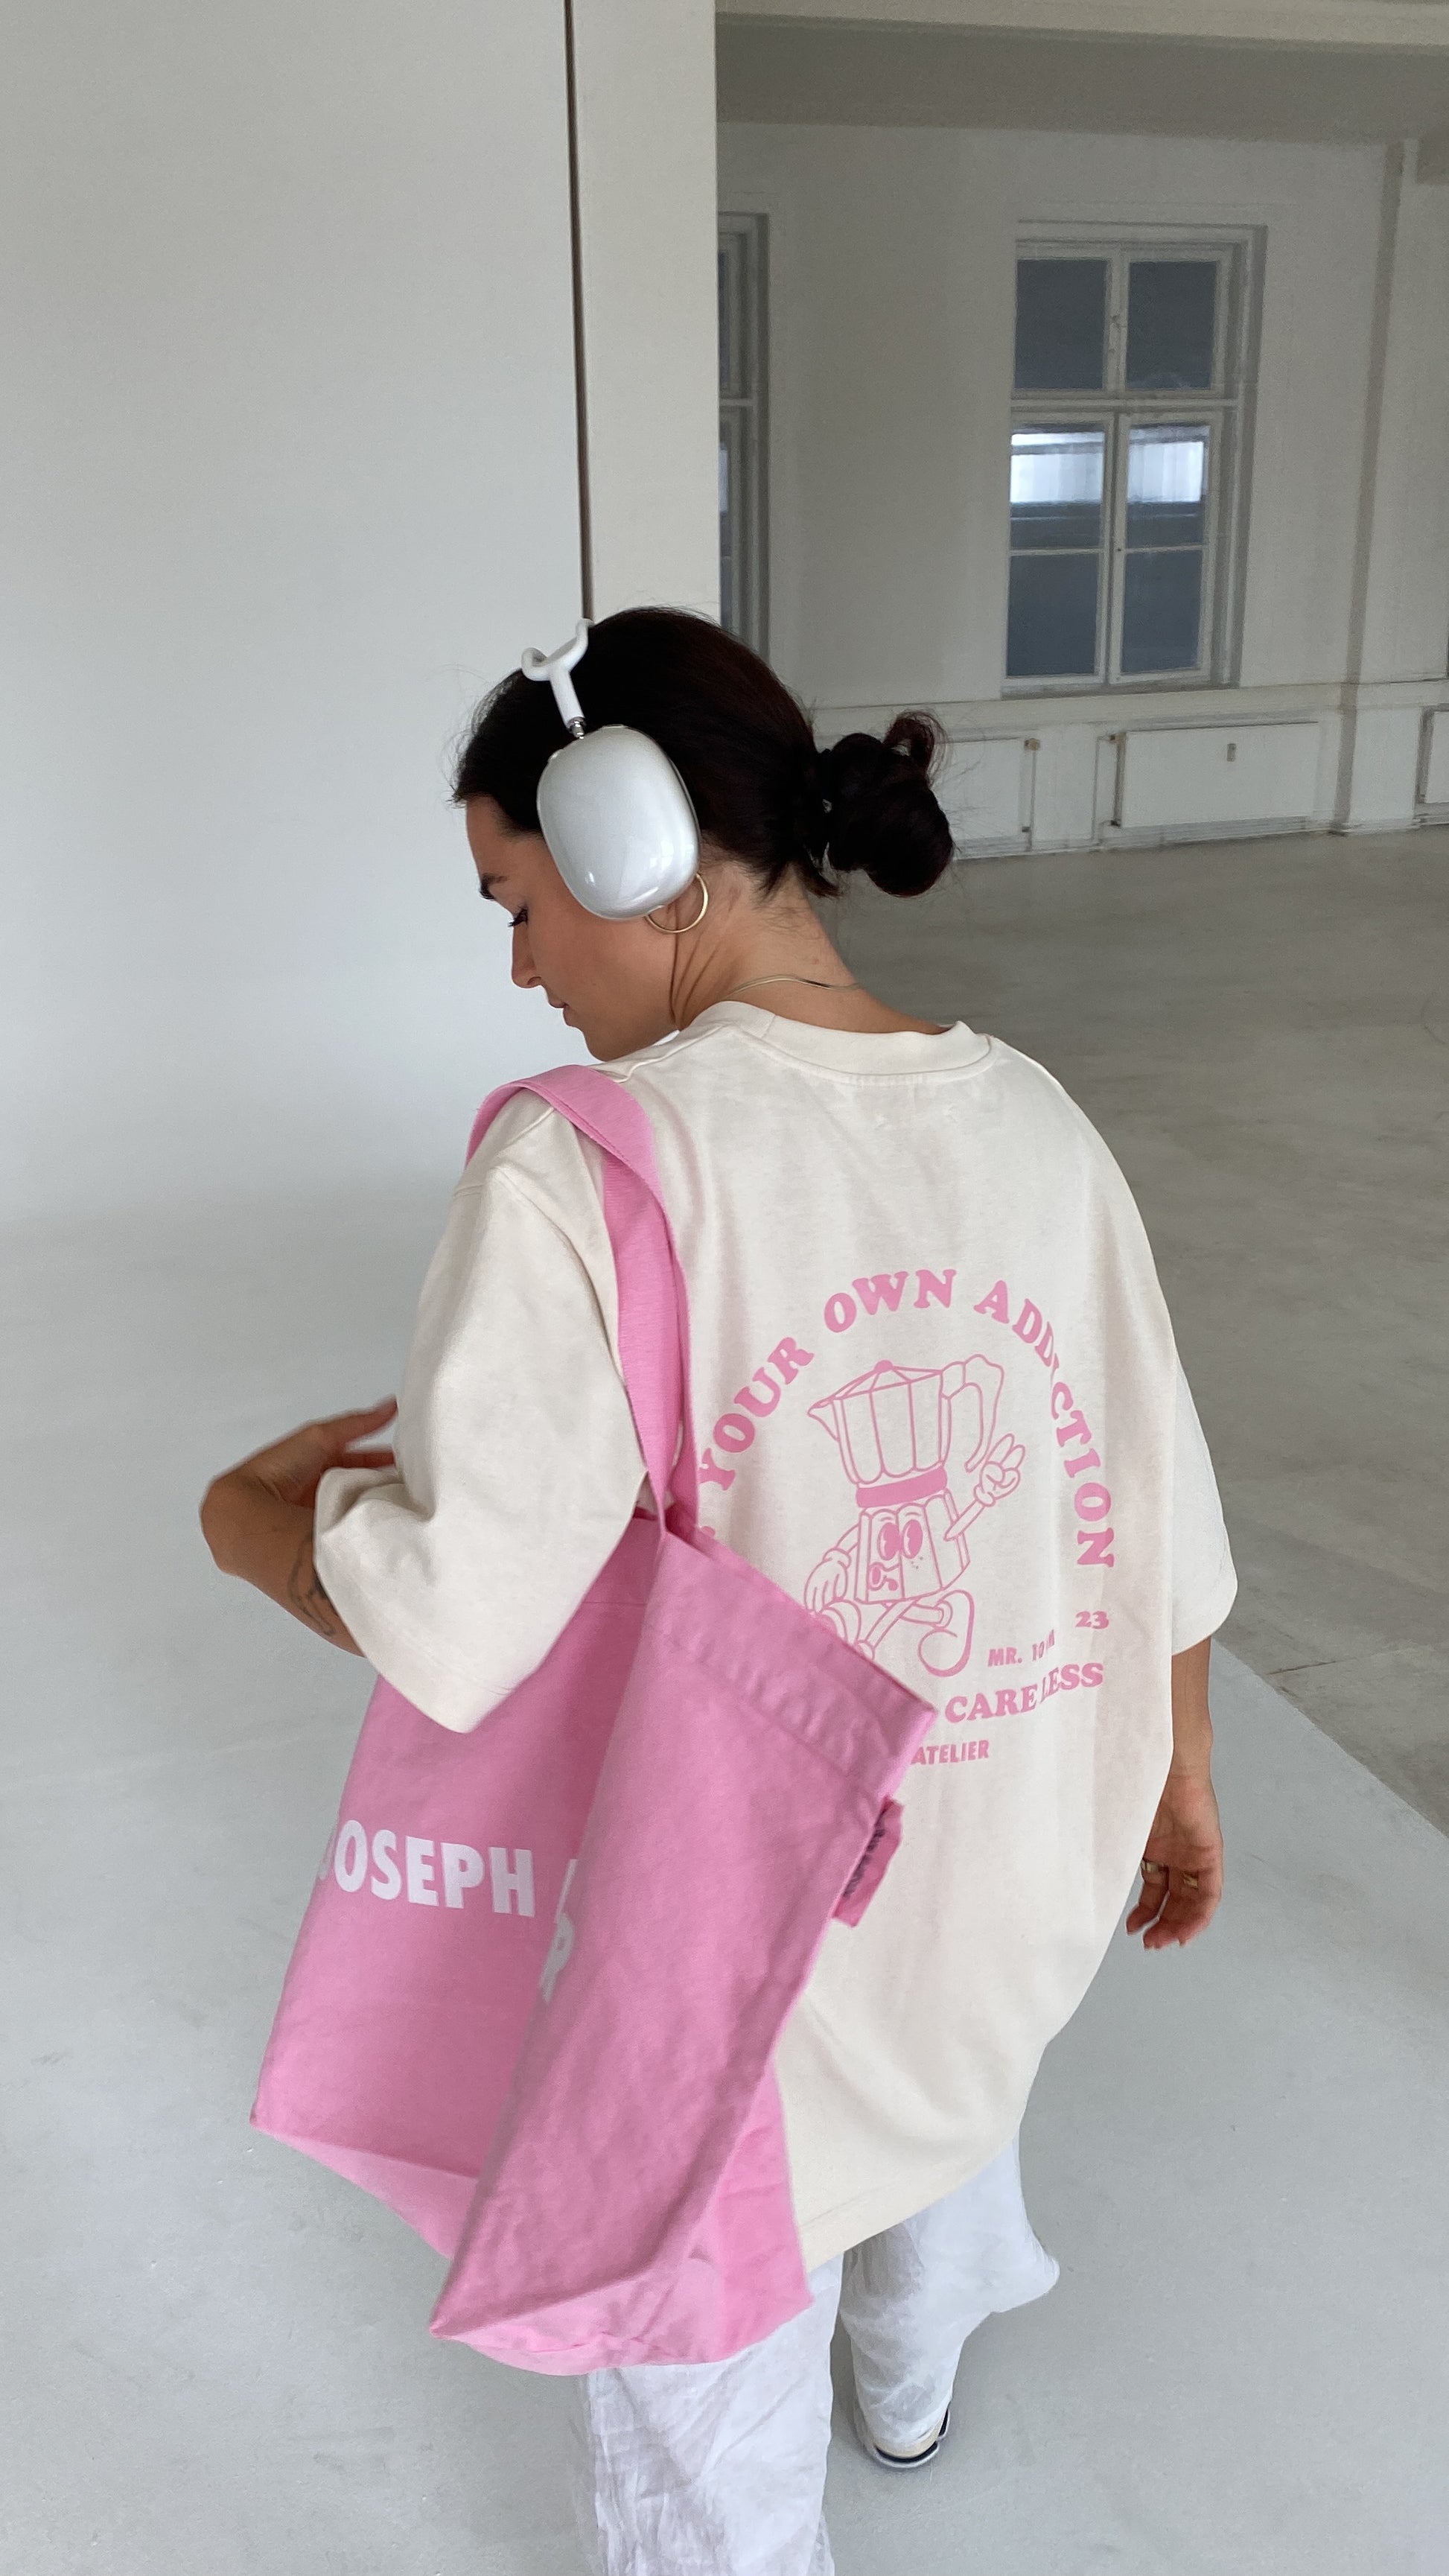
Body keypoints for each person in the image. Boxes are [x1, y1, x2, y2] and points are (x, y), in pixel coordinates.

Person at [200, 606, 1236, 2576]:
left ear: (629, 846)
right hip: (1017, 1864)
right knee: (938, 2111)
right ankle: (912, 2375)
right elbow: (1154, 1500)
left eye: (516, 903)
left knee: (709, 2386)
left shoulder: (585, 1166)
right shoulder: (1035, 1113)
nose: (519, 966)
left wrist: (254, 1515)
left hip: (763, 1941)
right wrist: (1177, 1778)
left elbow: (461, 1616)